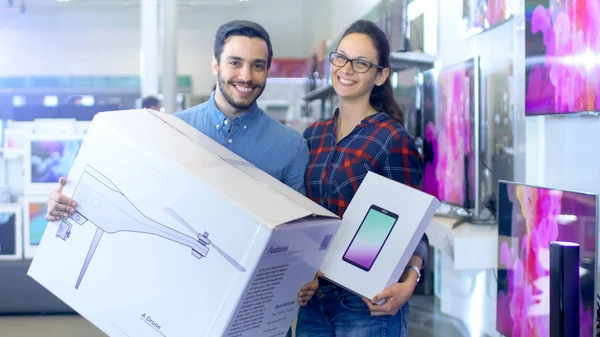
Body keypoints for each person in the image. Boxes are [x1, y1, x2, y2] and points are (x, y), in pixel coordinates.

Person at [44, 20, 319, 307]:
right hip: (179, 300)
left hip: (253, 305)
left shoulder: (291, 146)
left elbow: (298, 236)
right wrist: (66, 204)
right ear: (215, 65)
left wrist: (306, 271)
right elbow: (128, 196)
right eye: (235, 62)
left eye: (258, 65)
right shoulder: (170, 131)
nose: (246, 75)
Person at [295, 19, 428, 337]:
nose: (346, 69)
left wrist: (410, 280)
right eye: (340, 57)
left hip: (368, 302)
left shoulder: (392, 138)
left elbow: (413, 224)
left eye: (361, 63)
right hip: (314, 298)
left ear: (381, 75)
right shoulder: (313, 135)